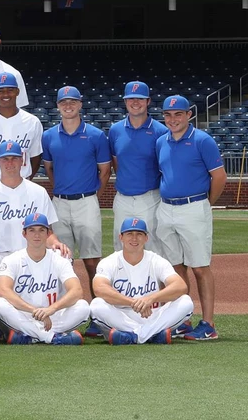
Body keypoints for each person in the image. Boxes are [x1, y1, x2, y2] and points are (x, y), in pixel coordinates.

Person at [155, 95, 226, 341]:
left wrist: (206, 202)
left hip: (193, 205)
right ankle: (182, 320)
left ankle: (208, 324)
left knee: (199, 267)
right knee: (175, 267)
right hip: (166, 208)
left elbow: (219, 176)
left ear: (189, 115)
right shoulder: (161, 141)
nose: (172, 119)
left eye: (178, 114)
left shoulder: (202, 140)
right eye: (168, 114)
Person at [41, 86, 111, 312]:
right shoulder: (49, 136)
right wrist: (61, 190)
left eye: (72, 102)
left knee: (92, 261)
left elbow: (105, 171)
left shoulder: (96, 135)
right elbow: (49, 168)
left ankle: (99, 312)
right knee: (62, 261)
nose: (68, 106)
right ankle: (65, 313)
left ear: (80, 104)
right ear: (58, 106)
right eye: (64, 102)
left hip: (87, 201)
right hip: (59, 202)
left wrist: (92, 196)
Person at [0, 141, 65, 299]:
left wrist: (56, 243)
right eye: (5, 159)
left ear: (22, 160)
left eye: (14, 158)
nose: (10, 163)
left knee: (61, 254)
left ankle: (57, 304)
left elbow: (48, 231)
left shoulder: (38, 192)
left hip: (31, 253)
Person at [90, 217, 194, 345]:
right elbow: (99, 288)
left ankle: (134, 336)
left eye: (139, 234)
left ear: (146, 238)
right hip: (121, 318)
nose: (134, 238)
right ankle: (151, 335)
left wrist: (150, 299)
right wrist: (133, 302)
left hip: (152, 317)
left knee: (186, 302)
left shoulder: (156, 260)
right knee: (96, 305)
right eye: (129, 234)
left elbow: (180, 286)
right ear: (121, 237)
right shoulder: (110, 262)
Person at [0, 212, 89, 345]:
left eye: (41, 230)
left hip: (52, 316)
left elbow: (76, 291)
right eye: (32, 230)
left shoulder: (59, 260)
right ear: (24, 234)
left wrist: (51, 309)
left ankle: (30, 336)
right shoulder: (12, 259)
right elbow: (3, 291)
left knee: (83, 307)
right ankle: (52, 337)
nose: (36, 235)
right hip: (23, 314)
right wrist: (34, 310)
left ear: (48, 234)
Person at [107, 81, 167, 256]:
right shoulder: (116, 130)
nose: (135, 102)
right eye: (131, 98)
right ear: (125, 101)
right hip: (123, 197)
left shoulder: (160, 131)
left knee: (153, 247)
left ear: (148, 101)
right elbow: (116, 162)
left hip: (150, 197)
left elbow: (164, 166)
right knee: (120, 246)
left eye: (140, 99)